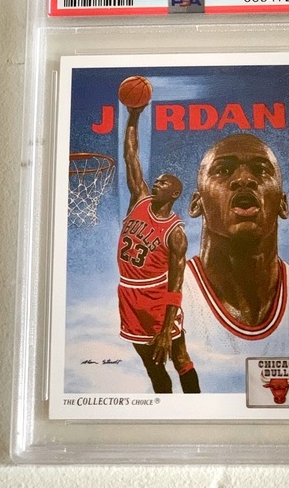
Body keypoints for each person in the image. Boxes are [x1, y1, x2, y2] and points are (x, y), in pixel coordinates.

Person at [182, 133, 289, 392]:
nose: (244, 179)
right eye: (223, 170)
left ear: (283, 205)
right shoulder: (164, 292)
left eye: (261, 170)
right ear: (197, 204)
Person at [117, 106, 200, 394]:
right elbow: (130, 156)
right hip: (129, 293)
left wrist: (166, 329)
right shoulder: (139, 199)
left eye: (163, 182)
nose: (156, 182)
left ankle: (197, 409)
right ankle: (165, 411)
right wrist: (134, 115)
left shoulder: (175, 233)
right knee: (152, 366)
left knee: (180, 358)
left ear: (174, 193)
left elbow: (176, 283)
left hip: (156, 298)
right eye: (157, 179)